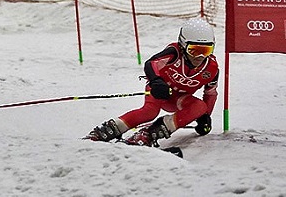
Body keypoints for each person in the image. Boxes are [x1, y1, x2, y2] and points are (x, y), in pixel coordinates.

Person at [86, 17, 219, 148]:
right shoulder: (174, 53)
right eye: (194, 50)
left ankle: (149, 134)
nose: (200, 57)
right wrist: (156, 81)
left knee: (200, 107)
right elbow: (151, 63)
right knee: (149, 112)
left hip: (180, 99)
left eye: (206, 51)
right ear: (183, 45)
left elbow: (210, 93)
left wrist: (205, 117)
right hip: (159, 90)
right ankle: (105, 131)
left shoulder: (212, 68)